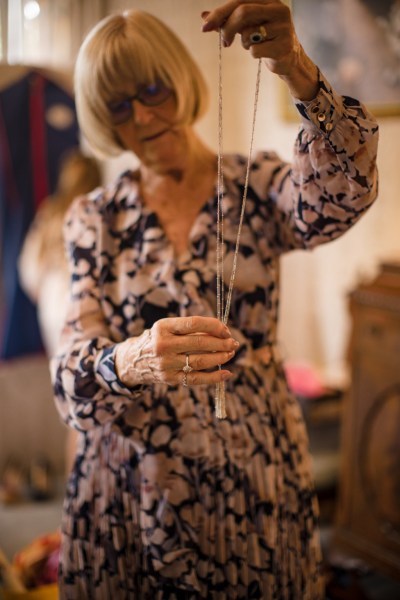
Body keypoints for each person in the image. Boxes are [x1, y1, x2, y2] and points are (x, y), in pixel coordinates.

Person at [50, 2, 379, 598]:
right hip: (133, 483)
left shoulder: (260, 185)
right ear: (102, 117)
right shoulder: (93, 220)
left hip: (251, 469)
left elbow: (345, 191)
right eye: (119, 106)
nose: (145, 117)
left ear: (180, 81)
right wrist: (130, 361)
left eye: (153, 90)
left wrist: (295, 67)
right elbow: (68, 379)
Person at [18, 149, 102, 475]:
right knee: (86, 392)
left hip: (51, 302)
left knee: (71, 391)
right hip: (79, 301)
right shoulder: (95, 208)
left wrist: (42, 289)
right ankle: (80, 476)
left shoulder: (50, 211)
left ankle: (76, 476)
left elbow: (28, 267)